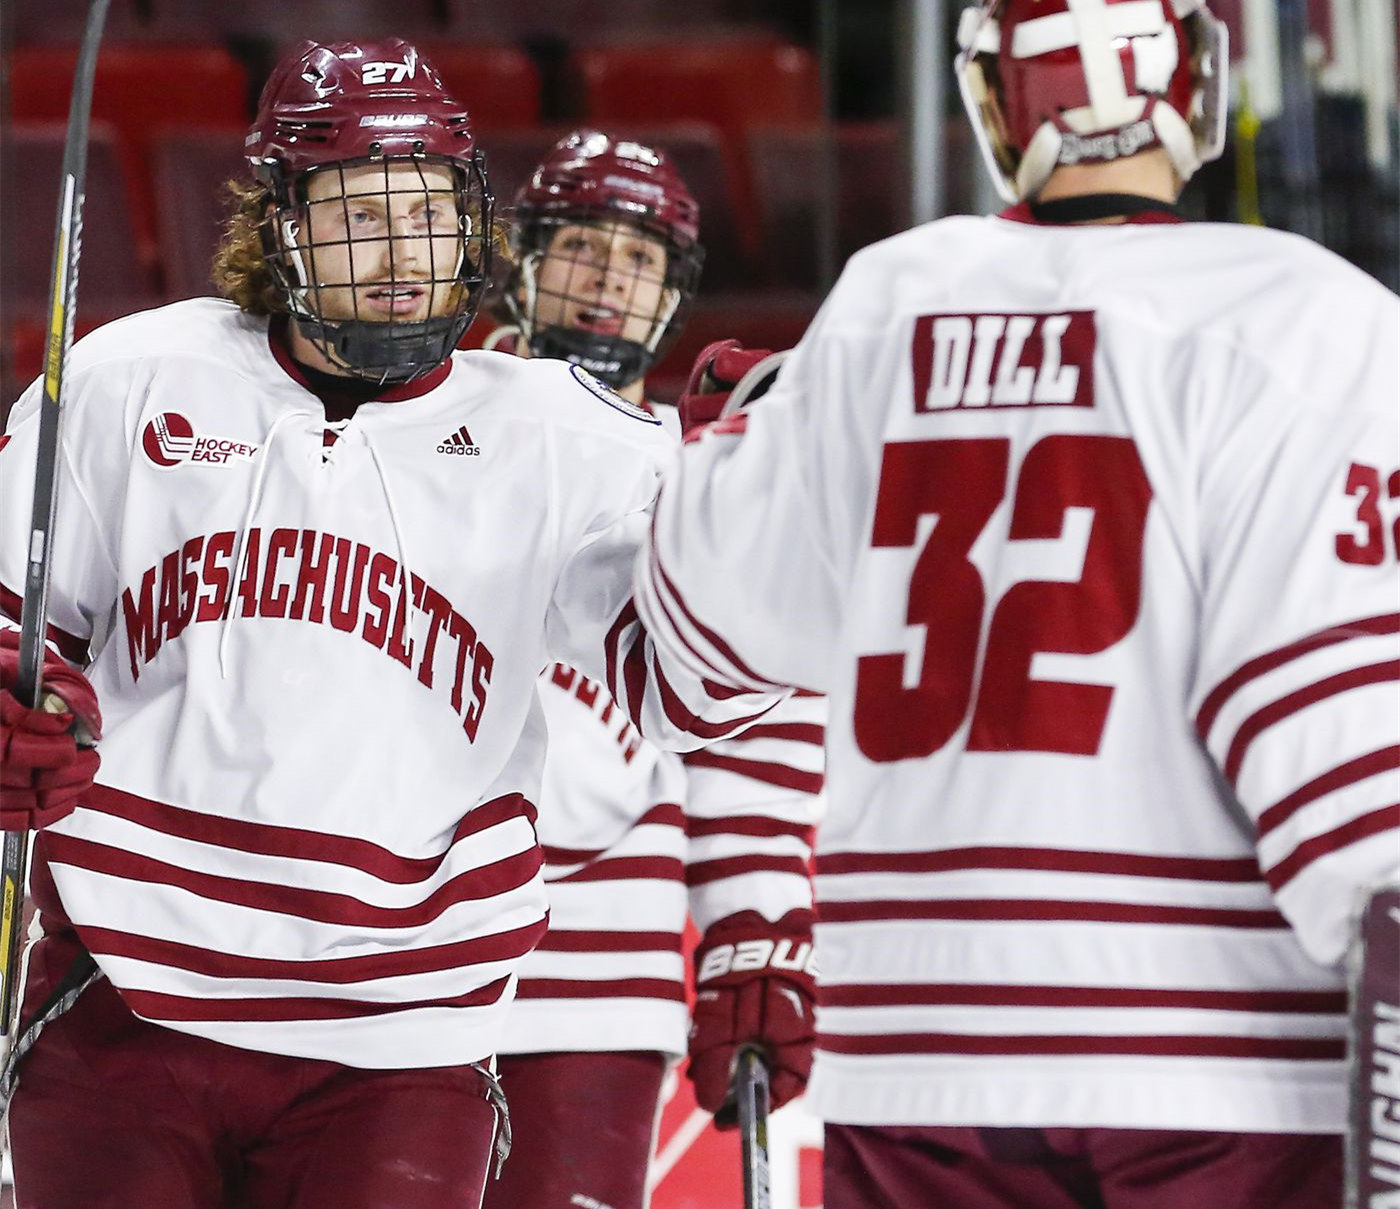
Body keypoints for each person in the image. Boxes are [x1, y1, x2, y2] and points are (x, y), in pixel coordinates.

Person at [635, 1, 1400, 1206]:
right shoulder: (1307, 317)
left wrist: (741, 441)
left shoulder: (887, 303)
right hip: (1216, 1065)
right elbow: (1336, 764)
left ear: (997, 104)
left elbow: (704, 634)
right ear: (1190, 83)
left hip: (918, 1054)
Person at [0, 39, 783, 1209]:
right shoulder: (131, 379)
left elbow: (699, 698)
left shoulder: (568, 435)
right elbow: (16, 620)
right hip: (121, 1008)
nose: (405, 255)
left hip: (400, 1050)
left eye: (428, 213)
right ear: (278, 226)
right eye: (361, 216)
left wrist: (736, 522)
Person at [481, 129, 824, 1209]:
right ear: (524, 257)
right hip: (395, 972)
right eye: (584, 247)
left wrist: (753, 932)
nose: (607, 285)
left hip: (599, 992)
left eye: (639, 263)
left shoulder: (698, 478)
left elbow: (751, 734)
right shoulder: (426, 431)